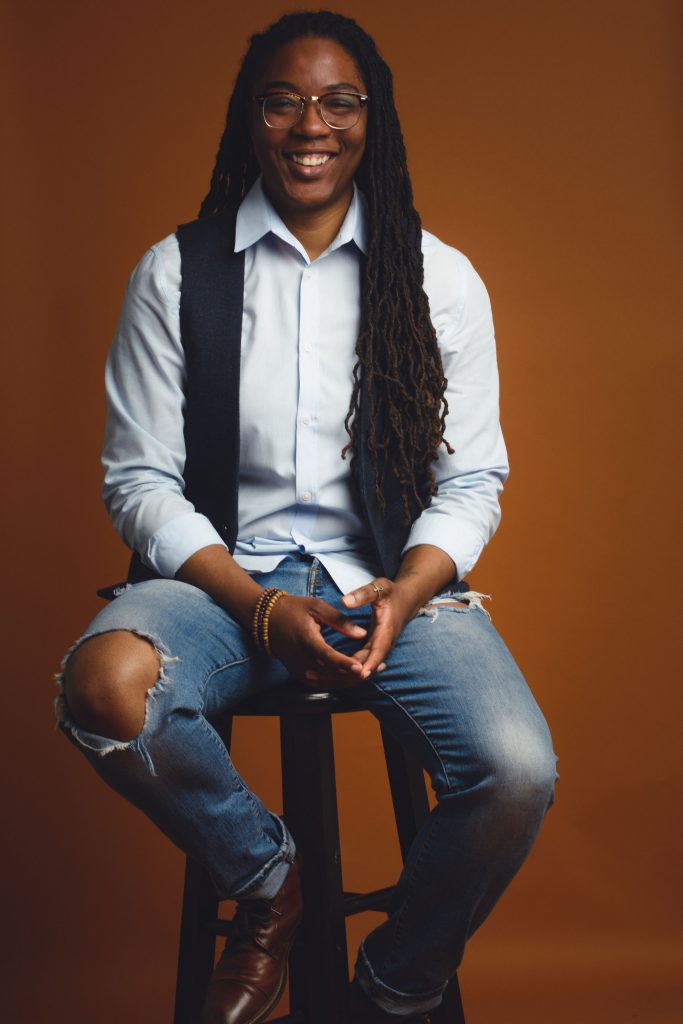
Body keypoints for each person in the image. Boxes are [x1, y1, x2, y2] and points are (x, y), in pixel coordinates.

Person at [56, 10, 559, 1024]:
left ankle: (391, 988)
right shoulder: (175, 272)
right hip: (215, 582)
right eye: (282, 100)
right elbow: (138, 481)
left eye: (338, 101)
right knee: (100, 686)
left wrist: (408, 591)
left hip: (386, 581)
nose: (309, 125)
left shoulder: (435, 277)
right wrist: (254, 609)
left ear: (373, 119)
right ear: (251, 119)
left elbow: (470, 483)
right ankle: (270, 879)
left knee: (515, 769)